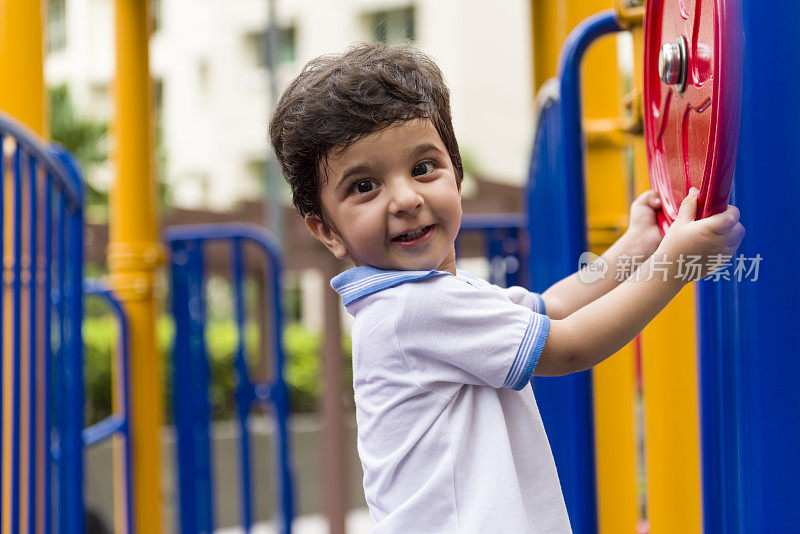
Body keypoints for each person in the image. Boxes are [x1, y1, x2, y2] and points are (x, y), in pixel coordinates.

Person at [269, 42, 744, 532]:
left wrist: (633, 247)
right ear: (326, 230)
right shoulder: (410, 309)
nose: (406, 198)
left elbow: (553, 308)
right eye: (365, 186)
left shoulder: (433, 296)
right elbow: (571, 347)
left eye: (423, 167)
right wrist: (674, 265)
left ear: (456, 173)